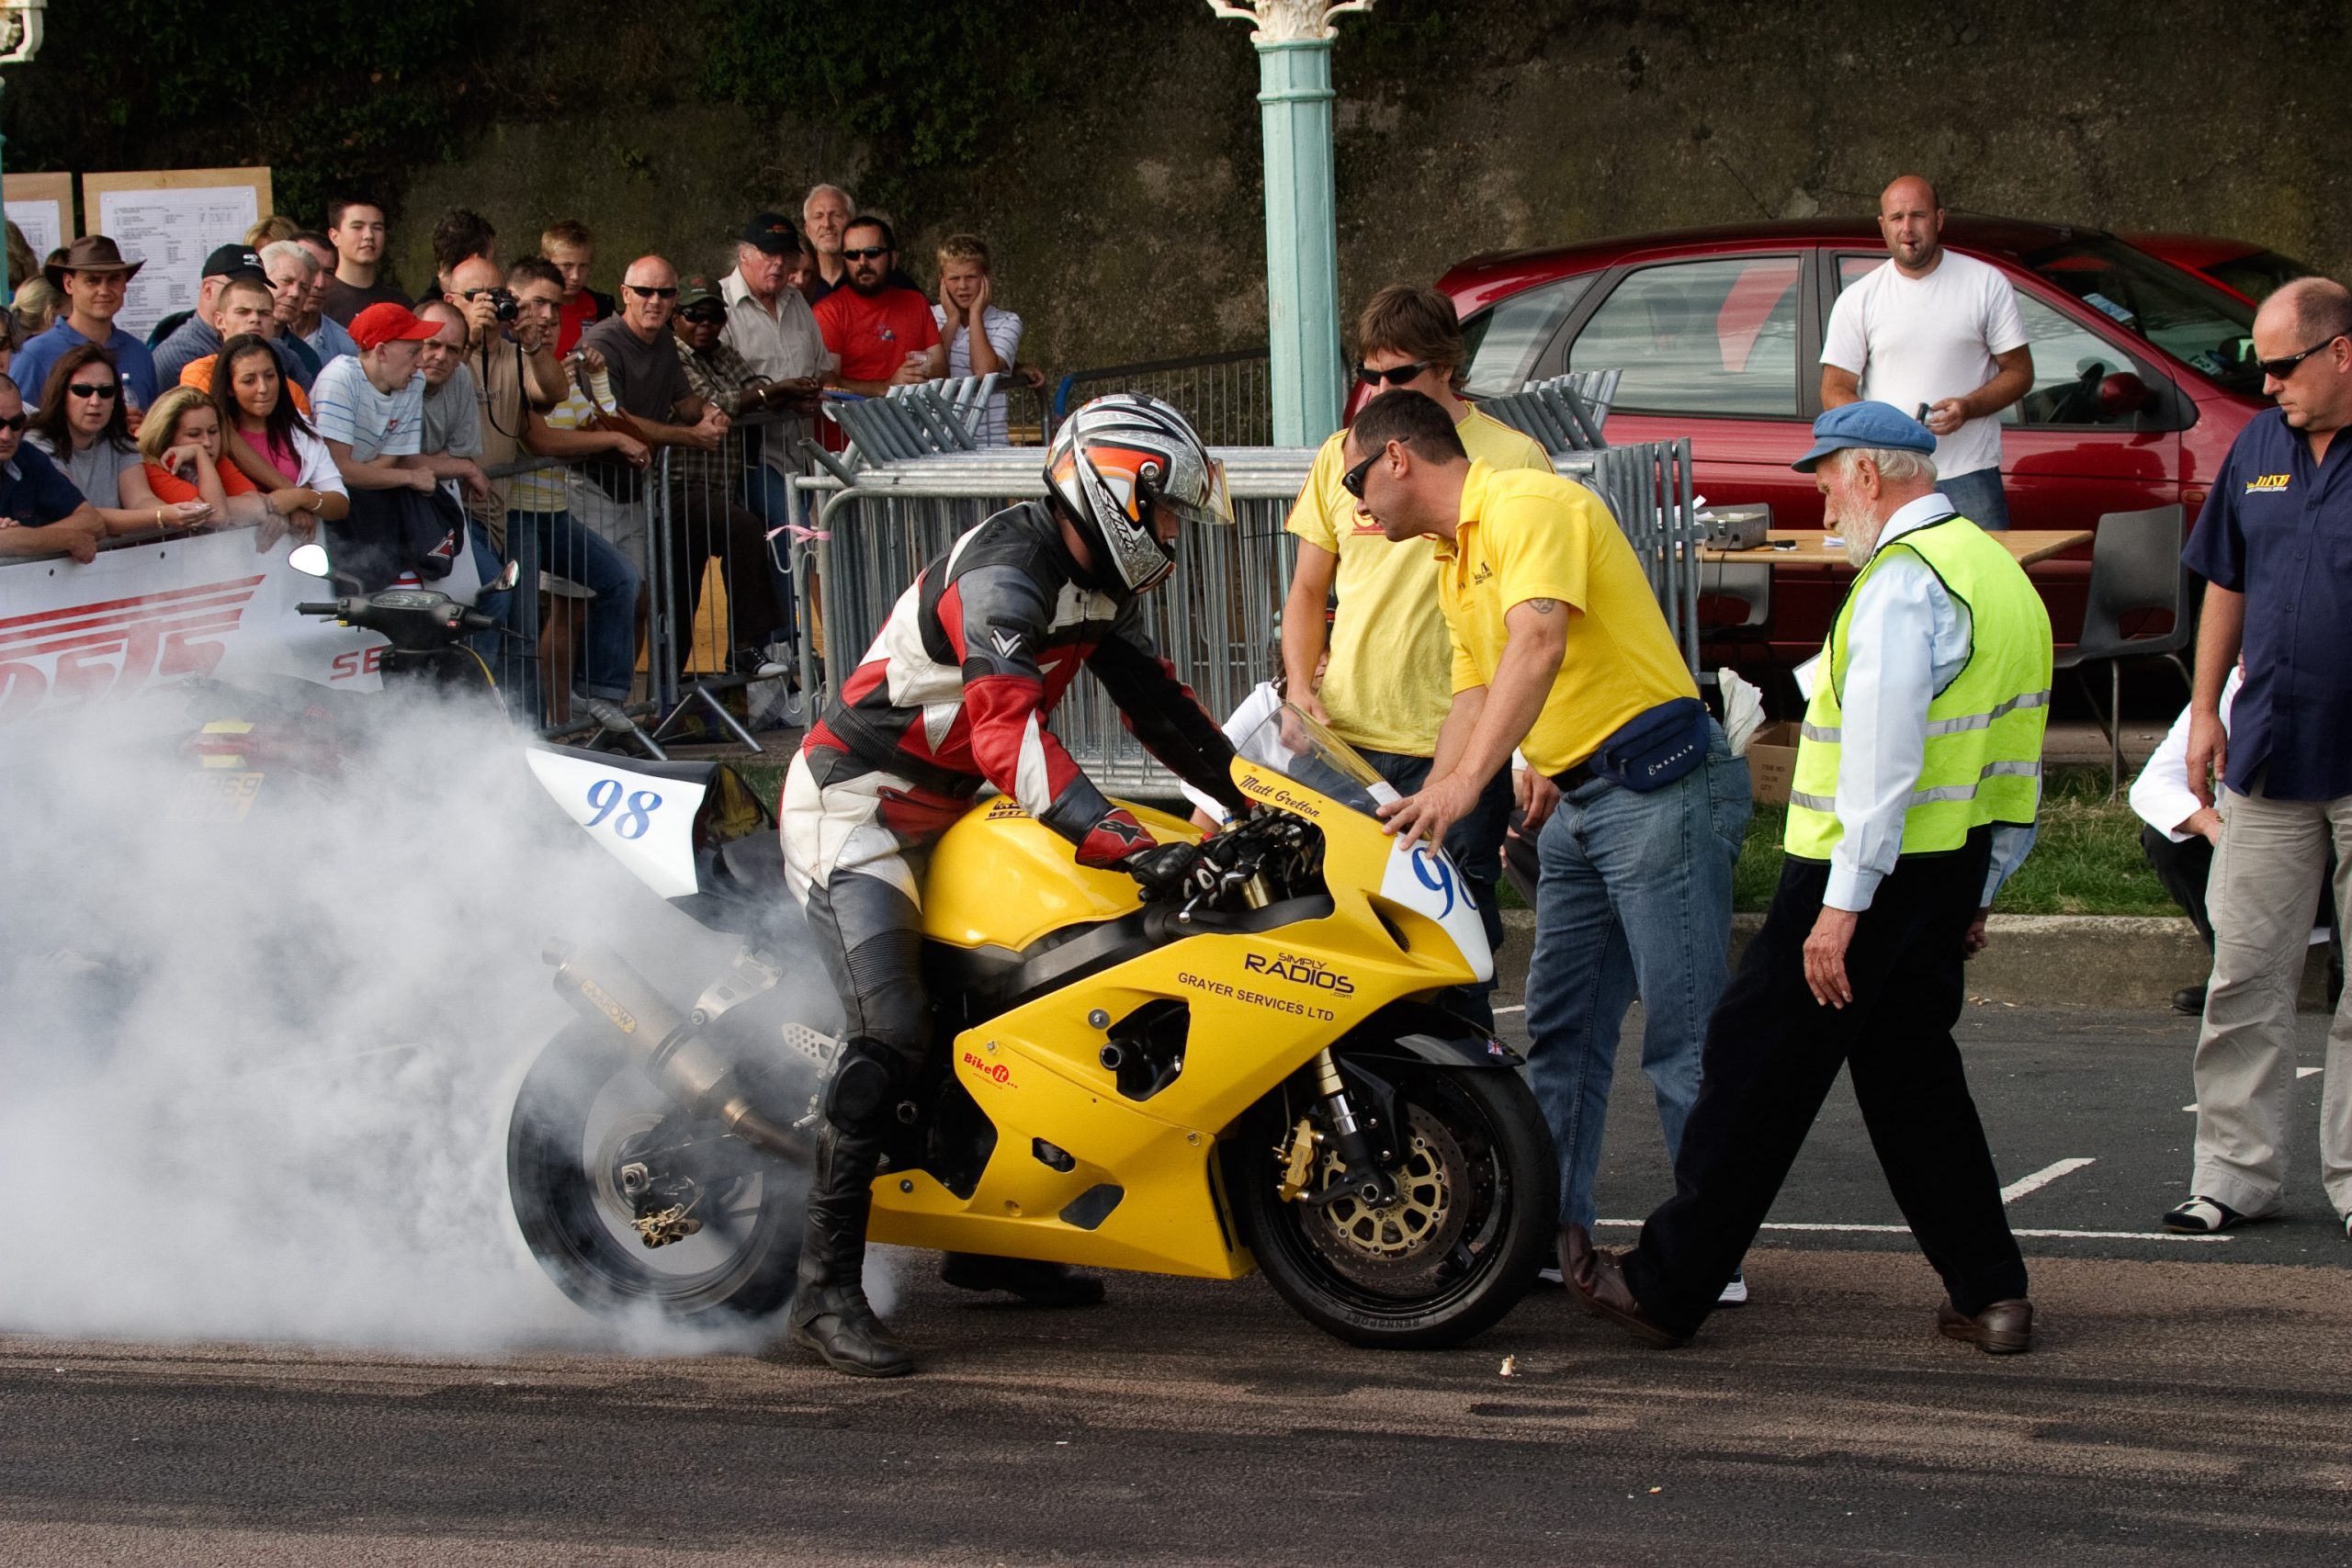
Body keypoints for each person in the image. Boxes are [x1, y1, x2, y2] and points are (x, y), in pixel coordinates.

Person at [1564, 400, 2051, 1356]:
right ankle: (1990, 1293)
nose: (1821, 501)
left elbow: (1879, 763)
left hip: (1857, 873)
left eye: (1825, 480)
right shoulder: (1996, 573)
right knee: (1913, 1081)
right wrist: (1980, 889)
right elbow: (2011, 760)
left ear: (1870, 475)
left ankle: (1664, 1288)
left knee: (1754, 1069)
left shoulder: (1901, 586)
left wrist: (1839, 912)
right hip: (1944, 867)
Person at [781, 393, 1249, 1378]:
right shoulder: (1008, 574)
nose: (1170, 536)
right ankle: (822, 1290)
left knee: (1024, 1001)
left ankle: (993, 1242)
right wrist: (1117, 835)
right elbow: (1004, 733)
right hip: (860, 806)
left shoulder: (1095, 578)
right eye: (1164, 513)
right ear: (1117, 492)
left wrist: (1247, 798)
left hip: (955, 816)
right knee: (895, 1032)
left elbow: (1158, 709)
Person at [1347, 387, 1752, 1299]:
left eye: (1356, 479)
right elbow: (1470, 700)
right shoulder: (1456, 559)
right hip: (1579, 805)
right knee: (1563, 1034)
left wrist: (1456, 788)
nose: (1355, 504)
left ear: (1400, 457)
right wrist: (1425, 809)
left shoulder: (1527, 503)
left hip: (1654, 788)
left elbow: (1536, 644)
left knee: (1682, 1041)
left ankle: (1708, 1257)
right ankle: (1543, 1234)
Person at [1281, 286, 1552, 1030]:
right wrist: (1301, 687)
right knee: (1322, 940)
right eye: (1368, 376)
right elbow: (1307, 590)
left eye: (1397, 377)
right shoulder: (1344, 455)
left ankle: (1471, 1120)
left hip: (1456, 746)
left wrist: (1530, 752)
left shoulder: (1515, 458)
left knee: (1451, 950)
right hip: (1347, 743)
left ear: (1446, 368)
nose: (1377, 392)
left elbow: (1538, 625)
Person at [2165, 276, 2352, 1242]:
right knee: (2244, 971)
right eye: (2260, 365)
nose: (2266, 382)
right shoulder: (2257, 448)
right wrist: (2203, 709)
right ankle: (2231, 1176)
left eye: (2281, 365)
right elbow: (2224, 583)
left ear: (2341, 354)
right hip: (2269, 752)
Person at [1820, 175, 2033, 531]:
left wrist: (1967, 408)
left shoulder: (1986, 283)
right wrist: (1884, 431)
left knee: (1979, 581)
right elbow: (1833, 389)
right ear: (1882, 225)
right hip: (1891, 479)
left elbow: (2019, 372)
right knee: (1897, 580)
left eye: (1918, 215)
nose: (1907, 228)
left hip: (1970, 472)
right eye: (1897, 218)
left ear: (1939, 219)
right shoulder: (1859, 299)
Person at [2132, 669, 2343, 1018]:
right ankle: (2235, 971)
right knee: (2166, 839)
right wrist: (2211, 824)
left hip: (2332, 869)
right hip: (2262, 861)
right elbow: (2151, 785)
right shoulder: (2238, 683)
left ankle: (2343, 973)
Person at [668, 275, 794, 693]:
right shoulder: (672, 355)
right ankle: (744, 644)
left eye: (712, 315)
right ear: (675, 318)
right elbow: (714, 404)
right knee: (744, 529)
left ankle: (667, 701)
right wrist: (769, 394)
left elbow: (752, 390)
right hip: (676, 487)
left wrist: (767, 395)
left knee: (686, 593)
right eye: (692, 315)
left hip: (719, 486)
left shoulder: (724, 353)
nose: (704, 324)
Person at [577, 255, 730, 573]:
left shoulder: (663, 339)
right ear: (625, 293)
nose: (655, 301)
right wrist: (692, 436)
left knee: (639, 599)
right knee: (579, 608)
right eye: (645, 291)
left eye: (665, 293)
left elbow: (684, 398)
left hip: (636, 488)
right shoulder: (603, 342)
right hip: (592, 486)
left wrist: (708, 411)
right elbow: (615, 421)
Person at [311, 301, 462, 589]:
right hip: (336, 513)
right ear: (381, 352)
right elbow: (340, 471)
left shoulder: (413, 380)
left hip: (372, 503)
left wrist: (368, 476)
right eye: (412, 351)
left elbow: (388, 459)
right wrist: (410, 477)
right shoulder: (340, 380)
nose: (420, 362)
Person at [26, 344, 210, 536]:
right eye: (82, 390)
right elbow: (81, 515)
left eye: (106, 392)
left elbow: (140, 500)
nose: (95, 401)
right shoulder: (37, 442)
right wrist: (160, 516)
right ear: (61, 393)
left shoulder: (119, 439)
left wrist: (174, 511)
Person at [206, 333, 348, 541]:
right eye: (249, 380)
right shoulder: (213, 432)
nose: (263, 388)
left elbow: (340, 504)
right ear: (229, 387)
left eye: (270, 376)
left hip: (297, 556)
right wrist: (282, 506)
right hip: (227, 555)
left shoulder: (298, 426)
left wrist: (301, 498)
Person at [16, 236, 160, 417]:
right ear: (69, 284)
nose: (104, 290)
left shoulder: (139, 353)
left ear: (124, 284)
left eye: (113, 279)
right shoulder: (34, 355)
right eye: (92, 280)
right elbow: (14, 431)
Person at [154, 250, 317, 393]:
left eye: (256, 287)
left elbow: (308, 408)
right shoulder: (180, 354)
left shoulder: (278, 349)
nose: (249, 296)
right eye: (238, 286)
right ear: (208, 289)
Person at [813, 218, 943, 395]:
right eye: (852, 255)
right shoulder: (828, 311)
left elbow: (942, 369)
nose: (862, 262)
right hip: (853, 421)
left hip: (909, 421)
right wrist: (888, 386)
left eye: (872, 252)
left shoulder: (916, 302)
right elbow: (828, 384)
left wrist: (918, 375)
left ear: (893, 258)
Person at [0, 378, 107, 560]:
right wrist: (68, 538)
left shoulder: (28, 457)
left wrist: (25, 539)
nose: (6, 435)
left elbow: (93, 522)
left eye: (17, 423)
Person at [135, 383, 268, 529]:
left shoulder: (216, 460)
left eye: (213, 431)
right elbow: (216, 517)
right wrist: (200, 454)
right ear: (166, 438)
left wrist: (218, 503)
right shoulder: (150, 467)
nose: (207, 442)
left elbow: (258, 509)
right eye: (194, 434)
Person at [933, 233, 1023, 447]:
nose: (963, 286)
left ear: (986, 278)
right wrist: (953, 320)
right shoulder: (928, 317)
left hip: (990, 443)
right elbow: (933, 369)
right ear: (942, 281)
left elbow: (983, 372)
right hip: (937, 442)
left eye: (971, 277)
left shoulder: (1007, 321)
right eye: (954, 279)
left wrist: (975, 315)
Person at [802, 184, 921, 303]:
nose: (827, 224)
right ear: (807, 229)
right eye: (818, 217)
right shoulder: (797, 278)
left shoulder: (880, 273)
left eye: (836, 215)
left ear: (852, 223)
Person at [263, 241, 359, 371]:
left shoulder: (307, 358)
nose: (295, 293)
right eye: (286, 281)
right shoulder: (231, 342)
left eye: (304, 287)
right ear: (262, 280)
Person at [321, 198, 406, 325]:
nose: (369, 235)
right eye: (357, 227)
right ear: (334, 237)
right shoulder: (320, 302)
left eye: (377, 228)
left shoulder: (400, 303)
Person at [541, 218, 614, 355]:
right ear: (546, 262)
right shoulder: (530, 307)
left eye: (583, 266)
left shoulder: (603, 306)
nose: (575, 276)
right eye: (567, 266)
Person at [421, 208, 495, 306]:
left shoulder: (420, 311)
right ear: (474, 259)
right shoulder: (429, 316)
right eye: (491, 259)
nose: (493, 267)